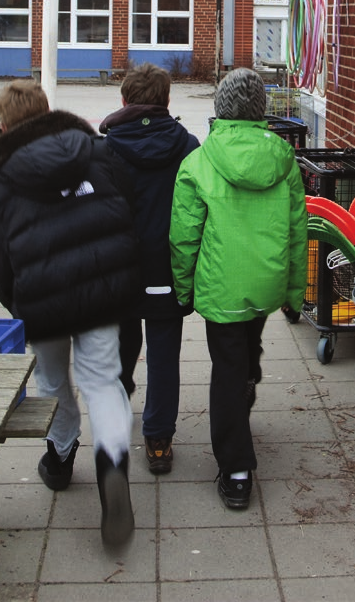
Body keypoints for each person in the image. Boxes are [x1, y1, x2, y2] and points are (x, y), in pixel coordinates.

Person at [0, 79, 141, 548]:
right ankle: (112, 468)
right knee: (103, 381)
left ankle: (61, 456)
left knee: (51, 382)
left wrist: (19, 307)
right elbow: (125, 206)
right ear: (47, 112)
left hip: (42, 299)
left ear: (4, 126)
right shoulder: (94, 150)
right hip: (105, 288)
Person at [169, 67, 307, 510]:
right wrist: (292, 293)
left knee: (225, 368)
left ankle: (237, 468)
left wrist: (183, 288)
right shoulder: (284, 158)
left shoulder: (199, 161)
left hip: (221, 283)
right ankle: (249, 379)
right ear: (260, 110)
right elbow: (297, 231)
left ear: (219, 108)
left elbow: (185, 236)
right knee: (248, 344)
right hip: (264, 281)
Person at [100, 64, 199, 475]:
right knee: (164, 354)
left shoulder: (102, 149)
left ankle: (116, 426)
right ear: (167, 101)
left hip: (118, 270)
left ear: (123, 101)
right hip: (167, 268)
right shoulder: (188, 145)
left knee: (118, 353)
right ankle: (158, 438)